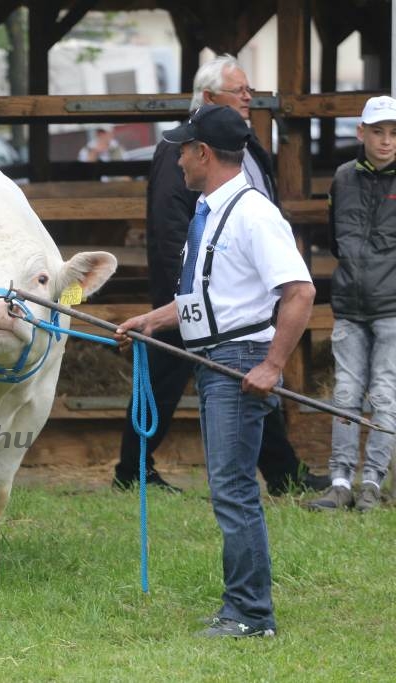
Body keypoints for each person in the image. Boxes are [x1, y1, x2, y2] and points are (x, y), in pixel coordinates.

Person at [116, 104, 316, 638]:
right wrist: (153, 321)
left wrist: (274, 364)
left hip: (237, 364)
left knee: (232, 490)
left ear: (204, 153)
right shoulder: (208, 212)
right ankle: (242, 606)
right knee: (229, 486)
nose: (178, 158)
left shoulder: (253, 214)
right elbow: (210, 298)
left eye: (183, 148)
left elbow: (299, 293)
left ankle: (250, 614)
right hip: (214, 361)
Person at [113, 54, 329, 496]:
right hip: (195, 292)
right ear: (210, 97)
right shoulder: (182, 154)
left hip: (238, 292)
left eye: (249, 89)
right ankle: (132, 469)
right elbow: (172, 226)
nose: (249, 96)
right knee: (164, 380)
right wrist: (183, 297)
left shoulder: (246, 151)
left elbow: (266, 221)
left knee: (246, 384)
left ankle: (283, 472)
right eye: (239, 90)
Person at [306, 96, 396, 513]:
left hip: (392, 308)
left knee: (383, 394)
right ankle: (340, 480)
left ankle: (372, 483)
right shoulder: (343, 179)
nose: (386, 141)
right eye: (378, 131)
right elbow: (334, 239)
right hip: (350, 304)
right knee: (345, 392)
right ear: (361, 133)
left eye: (394, 133)